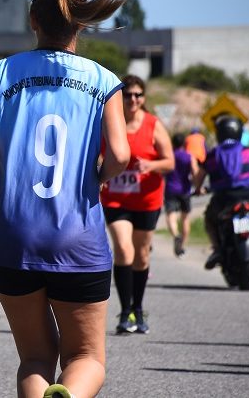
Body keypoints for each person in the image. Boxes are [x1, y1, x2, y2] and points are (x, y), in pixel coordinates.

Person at [0, 0, 130, 397]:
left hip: (12, 238)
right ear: (81, 23)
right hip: (78, 238)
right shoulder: (104, 81)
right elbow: (122, 156)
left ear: (33, 19)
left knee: (36, 359)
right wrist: (95, 177)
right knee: (86, 359)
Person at [100, 74, 174, 335]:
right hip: (116, 198)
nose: (133, 99)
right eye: (128, 94)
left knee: (141, 255)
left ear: (144, 98)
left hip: (146, 199)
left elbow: (170, 162)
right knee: (122, 248)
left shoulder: (153, 125)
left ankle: (138, 309)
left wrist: (151, 165)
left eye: (138, 95)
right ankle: (125, 311)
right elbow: (98, 154)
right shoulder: (111, 122)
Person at [193, 115, 249, 269]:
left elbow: (200, 176)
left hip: (224, 199)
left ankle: (217, 250)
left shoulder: (213, 154)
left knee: (210, 220)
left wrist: (198, 188)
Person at [164, 133, 199, 258]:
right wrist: (198, 187)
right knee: (185, 218)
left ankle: (175, 235)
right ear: (184, 144)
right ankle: (182, 246)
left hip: (171, 189)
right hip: (185, 190)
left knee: (171, 215)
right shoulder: (189, 157)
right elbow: (195, 173)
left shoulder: (169, 156)